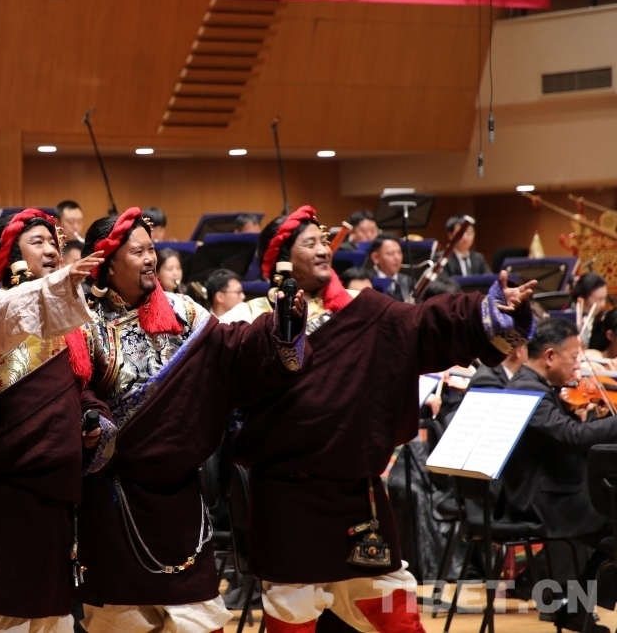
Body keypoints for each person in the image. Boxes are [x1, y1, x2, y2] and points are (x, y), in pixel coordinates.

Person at [219, 205, 536, 633]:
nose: (323, 250)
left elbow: (424, 325)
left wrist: (492, 311)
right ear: (280, 259)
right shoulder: (245, 319)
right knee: (294, 605)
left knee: (392, 604)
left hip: (358, 492)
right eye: (309, 243)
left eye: (324, 241)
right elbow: (227, 391)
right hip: (286, 493)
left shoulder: (362, 310)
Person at [69, 207, 309, 633]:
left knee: (201, 620)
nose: (151, 259)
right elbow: (74, 393)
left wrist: (278, 327)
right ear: (106, 263)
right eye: (138, 252)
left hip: (183, 500)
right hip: (114, 502)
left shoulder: (183, 311)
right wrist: (93, 422)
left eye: (152, 249)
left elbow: (233, 349)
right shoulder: (82, 323)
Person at [0, 208, 115, 631]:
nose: (50, 250)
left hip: (54, 492)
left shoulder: (73, 328)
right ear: (10, 255)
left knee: (48, 618)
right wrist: (59, 284)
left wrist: (94, 424)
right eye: (37, 242)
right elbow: (13, 311)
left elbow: (84, 392)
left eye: (53, 242)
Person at [502, 318, 617, 633]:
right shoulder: (526, 388)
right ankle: (574, 608)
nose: (578, 365)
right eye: (574, 357)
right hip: (539, 500)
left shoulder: (536, 385)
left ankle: (574, 608)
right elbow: (571, 437)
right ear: (550, 356)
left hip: (552, 490)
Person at [365, 233, 413, 302]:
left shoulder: (409, 281)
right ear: (375, 257)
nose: (397, 258)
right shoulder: (366, 281)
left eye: (399, 252)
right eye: (390, 253)